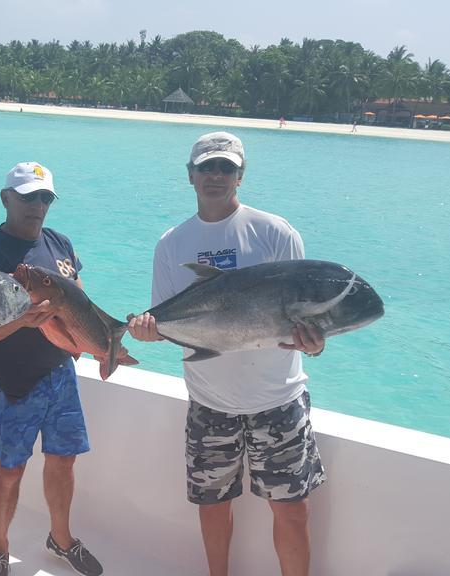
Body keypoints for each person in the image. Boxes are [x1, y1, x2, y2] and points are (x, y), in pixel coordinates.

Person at [128, 132, 326, 576]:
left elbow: (298, 317)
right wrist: (147, 332)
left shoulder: (276, 233)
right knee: (213, 506)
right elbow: (168, 325)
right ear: (190, 175)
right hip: (209, 403)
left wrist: (312, 342)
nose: (216, 176)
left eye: (226, 168)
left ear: (241, 175)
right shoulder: (171, 244)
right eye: (207, 167)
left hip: (277, 400)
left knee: (292, 510)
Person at [0, 162, 103, 576]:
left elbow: (81, 305)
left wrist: (93, 342)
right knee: (9, 470)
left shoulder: (60, 244)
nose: (37, 205)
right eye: (27, 196)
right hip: (12, 384)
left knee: (64, 460)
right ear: (6, 198)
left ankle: (60, 538)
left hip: (61, 375)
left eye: (45, 197)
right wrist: (21, 321)